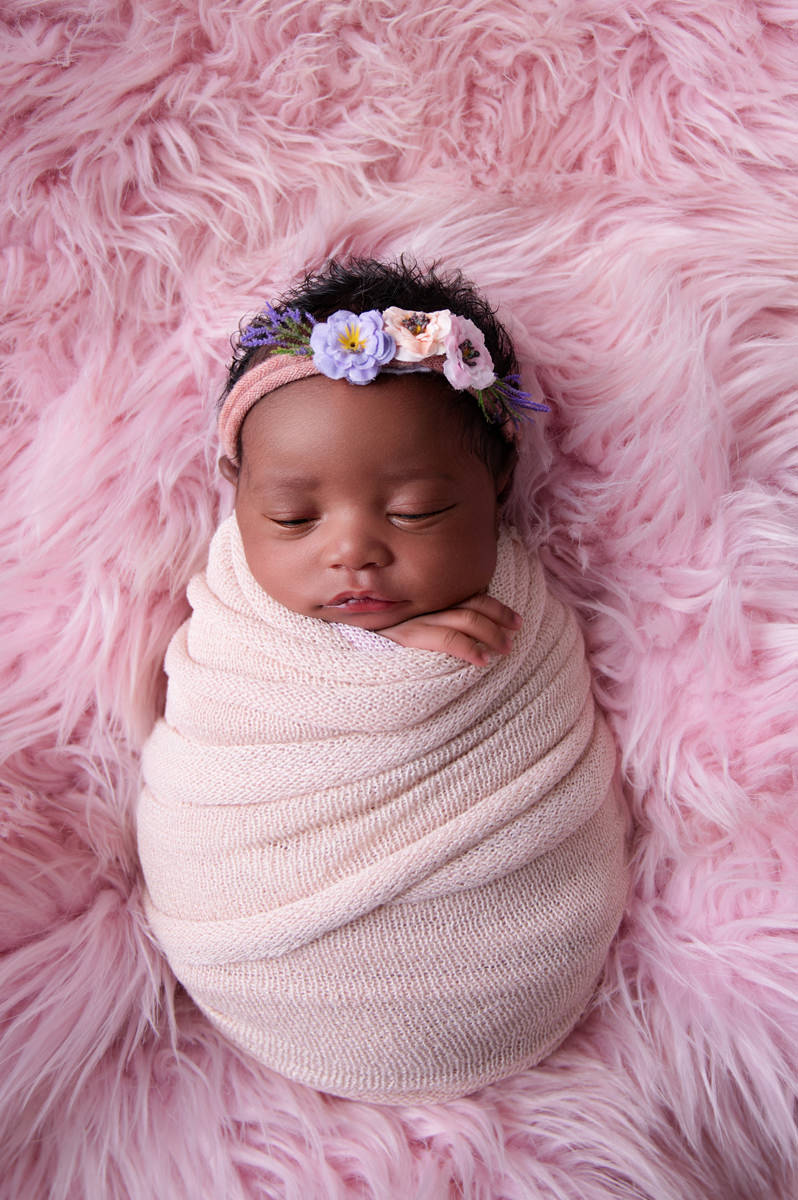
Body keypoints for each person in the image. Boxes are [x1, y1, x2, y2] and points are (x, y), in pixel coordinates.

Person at [138, 257, 629, 1104]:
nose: (352, 550)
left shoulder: (516, 617)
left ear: (497, 485)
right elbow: (225, 732)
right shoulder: (238, 617)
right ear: (238, 496)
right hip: (257, 941)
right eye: (293, 517)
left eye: (414, 511)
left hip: (507, 956)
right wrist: (375, 663)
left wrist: (418, 675)